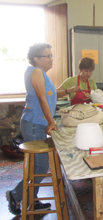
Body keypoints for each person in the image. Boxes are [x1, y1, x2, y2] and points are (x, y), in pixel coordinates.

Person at [6, 43, 66, 215]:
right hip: (35, 124)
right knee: (40, 166)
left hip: (35, 122)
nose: (51, 59)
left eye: (51, 55)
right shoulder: (37, 72)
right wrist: (51, 122)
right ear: (36, 59)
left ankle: (33, 198)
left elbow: (49, 94)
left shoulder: (37, 73)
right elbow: (42, 99)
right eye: (47, 56)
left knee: (37, 165)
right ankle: (16, 195)